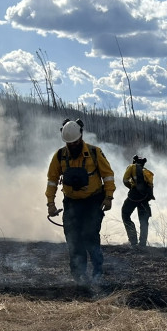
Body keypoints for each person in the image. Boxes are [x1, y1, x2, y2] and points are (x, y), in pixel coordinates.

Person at [46, 118, 115, 285]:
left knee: (90, 236)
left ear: (81, 137)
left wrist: (108, 197)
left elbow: (108, 175)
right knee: (73, 239)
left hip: (93, 202)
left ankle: (97, 272)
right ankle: (79, 277)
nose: (72, 146)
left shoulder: (94, 153)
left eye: (75, 142)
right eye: (69, 144)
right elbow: (52, 180)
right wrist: (50, 203)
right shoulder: (60, 155)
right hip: (71, 203)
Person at [121, 154, 154, 247]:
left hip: (134, 196)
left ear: (134, 161)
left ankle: (133, 241)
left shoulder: (131, 167)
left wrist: (131, 187)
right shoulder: (148, 172)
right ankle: (142, 243)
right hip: (145, 198)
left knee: (125, 214)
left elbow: (125, 180)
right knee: (143, 220)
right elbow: (150, 187)